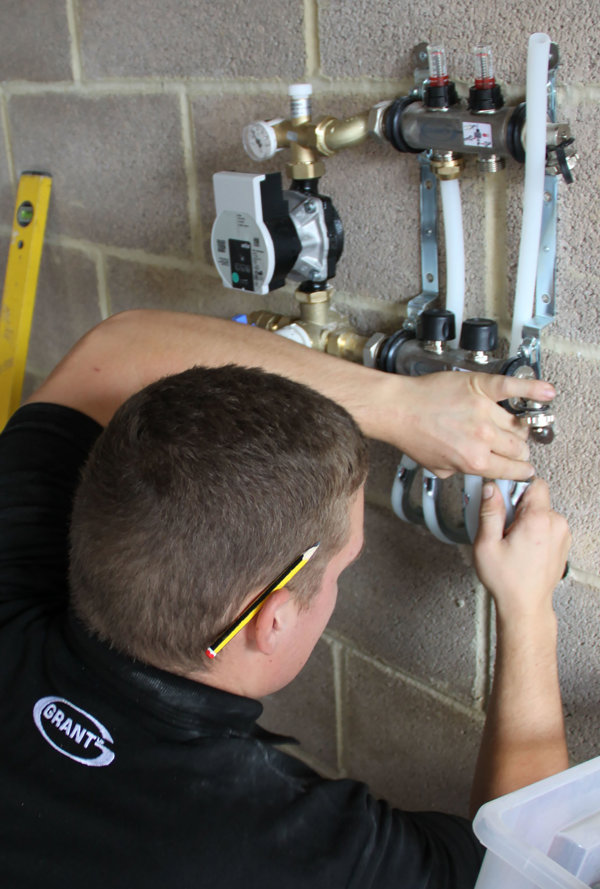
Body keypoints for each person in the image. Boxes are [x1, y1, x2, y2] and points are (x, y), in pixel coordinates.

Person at [0, 309, 570, 888]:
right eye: (341, 569)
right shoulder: (277, 846)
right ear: (268, 622)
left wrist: (405, 408)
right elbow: (525, 874)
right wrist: (527, 612)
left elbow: (116, 348)